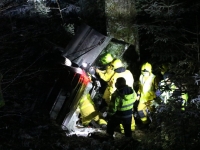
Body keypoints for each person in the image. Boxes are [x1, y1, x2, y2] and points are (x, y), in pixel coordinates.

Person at [100, 59, 137, 132]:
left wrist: (110, 113)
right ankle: (131, 128)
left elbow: (112, 91)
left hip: (120, 104)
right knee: (129, 116)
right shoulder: (128, 72)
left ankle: (120, 131)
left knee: (119, 117)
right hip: (129, 99)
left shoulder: (115, 76)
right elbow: (134, 96)